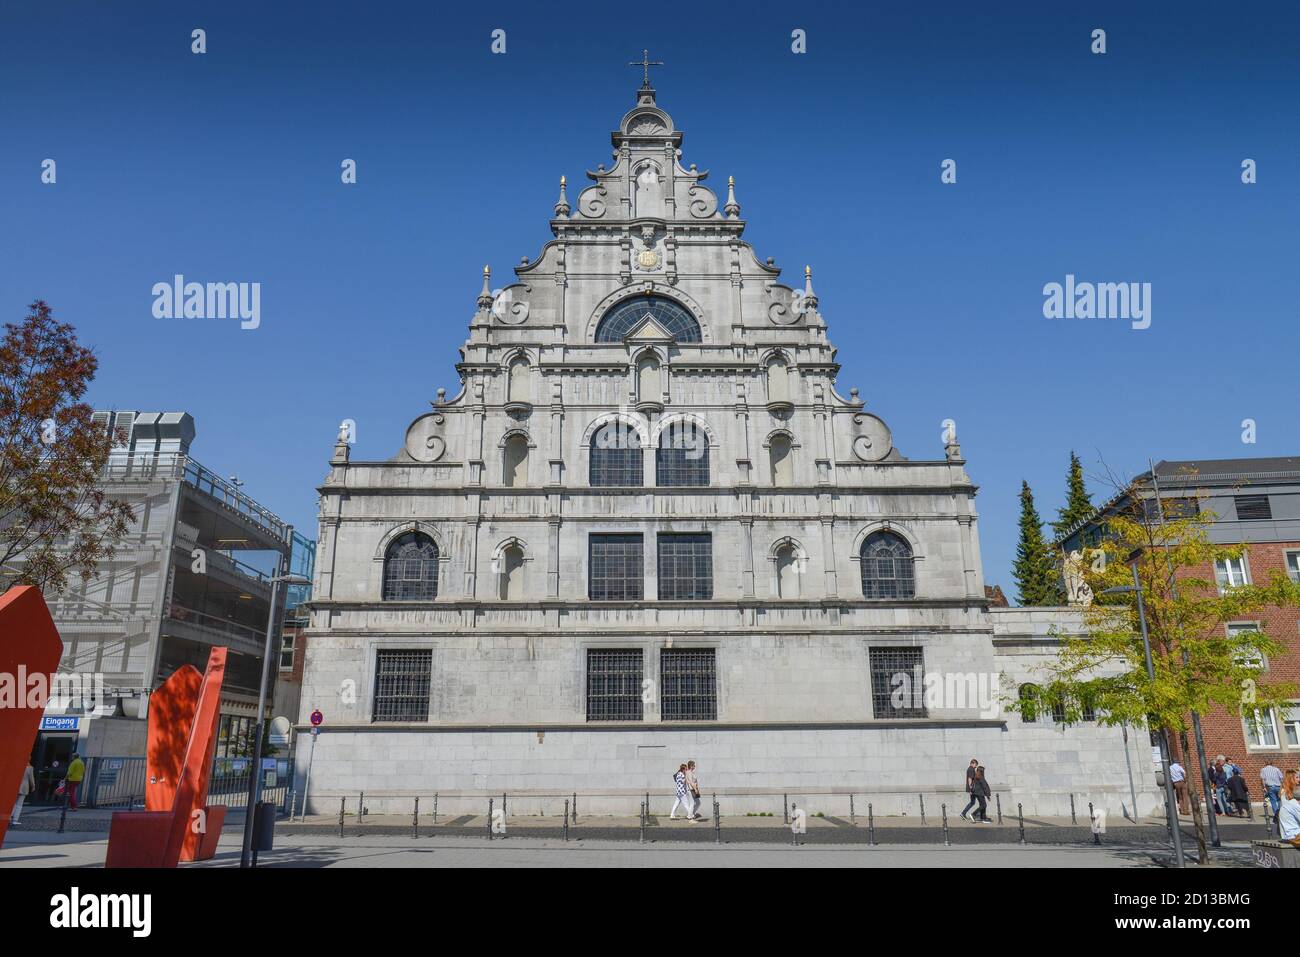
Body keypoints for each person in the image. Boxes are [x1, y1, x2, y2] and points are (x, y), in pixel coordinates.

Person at [1278, 770, 1300, 847]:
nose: (1299, 779)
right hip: (1292, 833)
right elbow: (1292, 810)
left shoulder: (1291, 793)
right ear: (1291, 779)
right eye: (1296, 777)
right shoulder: (1286, 794)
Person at [9, 762, 35, 826]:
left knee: (13, 803)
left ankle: (9, 818)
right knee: (19, 804)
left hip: (15, 785)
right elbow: (31, 779)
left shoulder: (16, 765)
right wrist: (33, 786)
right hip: (24, 786)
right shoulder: (30, 768)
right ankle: (15, 820)